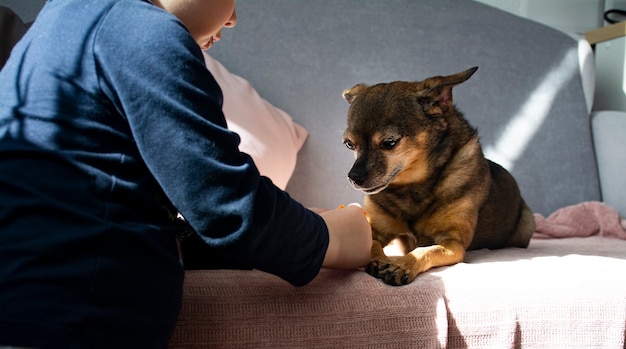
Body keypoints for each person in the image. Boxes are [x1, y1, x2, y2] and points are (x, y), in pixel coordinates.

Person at [0, 0, 372, 347]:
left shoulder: (62, 23)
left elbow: (151, 213)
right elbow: (225, 201)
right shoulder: (142, 32)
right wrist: (330, 240)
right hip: (76, 321)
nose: (233, 19)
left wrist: (299, 220)